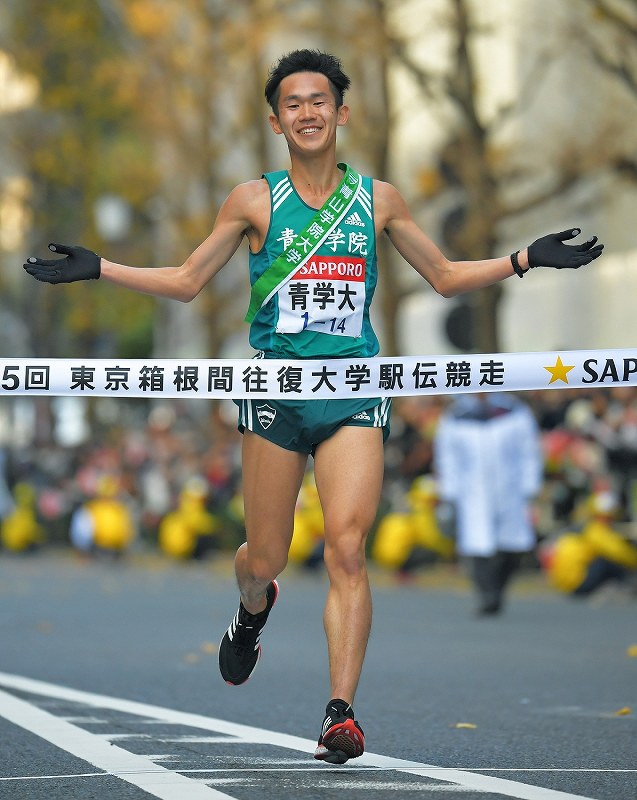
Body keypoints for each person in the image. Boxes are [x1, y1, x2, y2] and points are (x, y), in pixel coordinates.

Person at [23, 49, 604, 763]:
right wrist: (100, 268)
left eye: (319, 100)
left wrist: (525, 259)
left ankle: (341, 713)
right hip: (277, 396)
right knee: (266, 557)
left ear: (341, 112)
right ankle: (251, 610)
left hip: (353, 392)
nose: (307, 112)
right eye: (292, 103)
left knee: (347, 549)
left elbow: (445, 276)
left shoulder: (379, 199)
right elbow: (187, 281)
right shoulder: (253, 201)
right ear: (277, 122)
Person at [434, 393, 543, 615]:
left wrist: (530, 485)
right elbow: (447, 457)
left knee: (513, 543)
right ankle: (487, 594)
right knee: (477, 542)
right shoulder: (456, 415)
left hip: (510, 488)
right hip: (473, 491)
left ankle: (499, 587)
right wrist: (449, 491)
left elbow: (529, 450)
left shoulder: (514, 411)